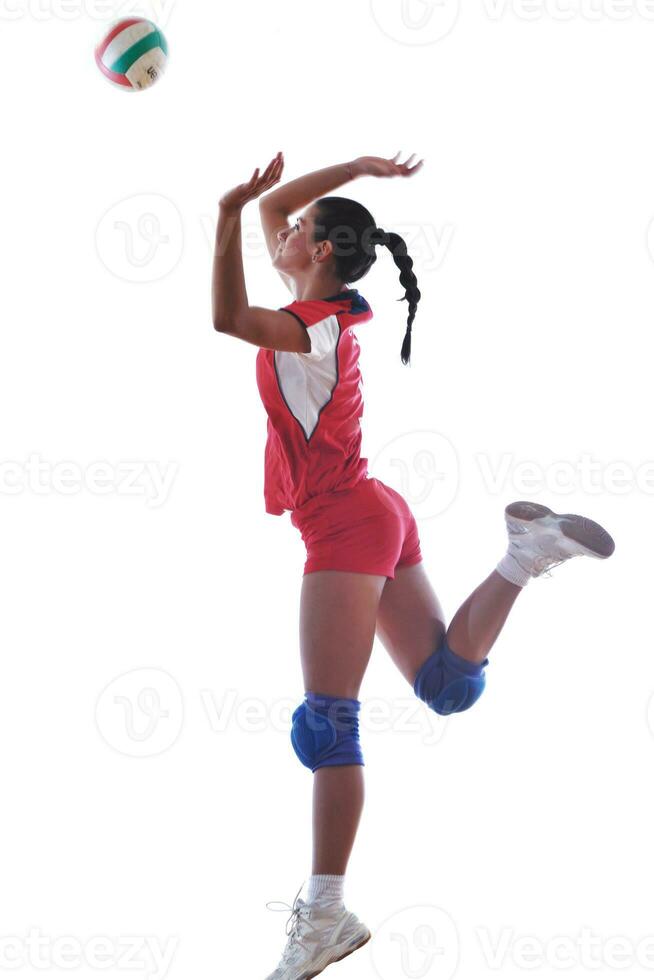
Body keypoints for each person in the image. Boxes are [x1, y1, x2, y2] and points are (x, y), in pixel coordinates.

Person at [211, 152, 616, 979]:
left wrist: (224, 217)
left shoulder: (309, 327)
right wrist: (353, 167)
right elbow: (286, 205)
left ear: (321, 252)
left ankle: (324, 913)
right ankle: (523, 558)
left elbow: (224, 317)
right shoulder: (314, 305)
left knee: (328, 723)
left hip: (345, 523)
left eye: (295, 233)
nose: (280, 230)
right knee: (447, 687)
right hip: (375, 510)